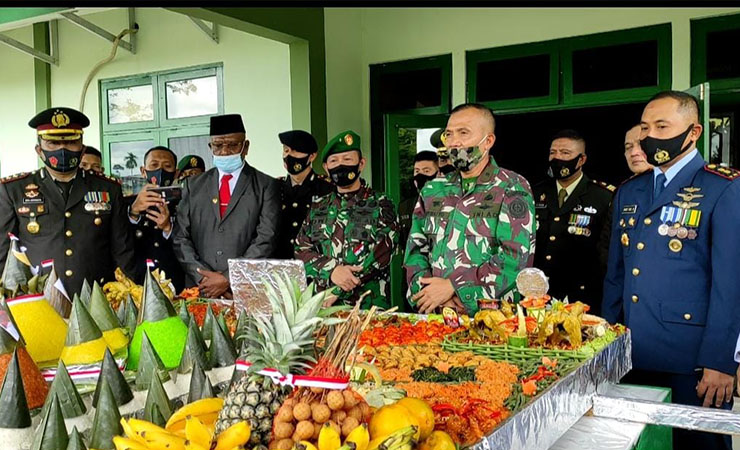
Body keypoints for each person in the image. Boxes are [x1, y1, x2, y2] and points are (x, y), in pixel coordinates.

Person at [603, 91, 740, 450]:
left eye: (663, 126)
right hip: (631, 355)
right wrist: (603, 348)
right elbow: (616, 276)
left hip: (692, 361)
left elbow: (731, 282)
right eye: (646, 127)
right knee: (639, 443)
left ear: (693, 132)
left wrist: (721, 360)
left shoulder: (722, 187)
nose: (652, 136)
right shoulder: (630, 191)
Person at [404, 103, 535, 315]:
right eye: (449, 134)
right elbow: (415, 250)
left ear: (488, 141)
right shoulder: (433, 189)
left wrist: (455, 288)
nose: (455, 142)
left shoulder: (511, 187)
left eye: (463, 133)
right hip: (436, 316)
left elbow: (515, 257)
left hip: (490, 320)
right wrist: (429, 296)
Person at [0, 107, 136, 295]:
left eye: (71, 142)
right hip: (37, 299)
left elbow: (123, 250)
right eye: (53, 143)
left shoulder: (108, 188)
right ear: (39, 150)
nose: (62, 149)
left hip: (97, 297)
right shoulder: (13, 189)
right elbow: (3, 251)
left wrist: (129, 294)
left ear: (82, 149)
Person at [173, 114, 281, 298]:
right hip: (200, 290)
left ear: (245, 147)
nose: (224, 151)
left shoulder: (265, 185)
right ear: (210, 147)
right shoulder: (193, 185)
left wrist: (229, 278)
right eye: (218, 146)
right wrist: (204, 278)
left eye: (232, 145)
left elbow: (266, 239)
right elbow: (180, 237)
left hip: (243, 290)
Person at [294, 130, 399, 309]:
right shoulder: (318, 207)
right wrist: (332, 270)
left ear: (361, 164)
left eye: (348, 159)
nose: (341, 165)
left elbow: (381, 253)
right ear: (326, 167)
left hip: (367, 306)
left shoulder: (381, 204)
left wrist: (337, 291)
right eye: (334, 161)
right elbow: (301, 250)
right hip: (323, 308)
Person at [532, 130, 614, 314]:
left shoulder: (602, 196)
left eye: (565, 153)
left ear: (582, 159)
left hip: (581, 298)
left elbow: (605, 250)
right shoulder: (535, 193)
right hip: (538, 297)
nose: (557, 158)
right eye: (553, 152)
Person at [126, 145, 184, 291]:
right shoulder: (127, 204)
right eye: (154, 165)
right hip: (138, 283)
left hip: (174, 282)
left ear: (176, 173)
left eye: (167, 166)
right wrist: (134, 212)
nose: (160, 170)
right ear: (143, 171)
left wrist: (168, 229)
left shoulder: (184, 204)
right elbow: (120, 242)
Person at [275, 130, 333, 259]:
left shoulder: (327, 188)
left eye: (295, 151)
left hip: (314, 266)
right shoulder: (274, 188)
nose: (289, 155)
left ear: (312, 156)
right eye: (286, 150)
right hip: (279, 266)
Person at [398, 151, 439, 246]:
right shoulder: (405, 206)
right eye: (417, 171)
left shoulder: (449, 203)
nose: (420, 175)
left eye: (426, 171)